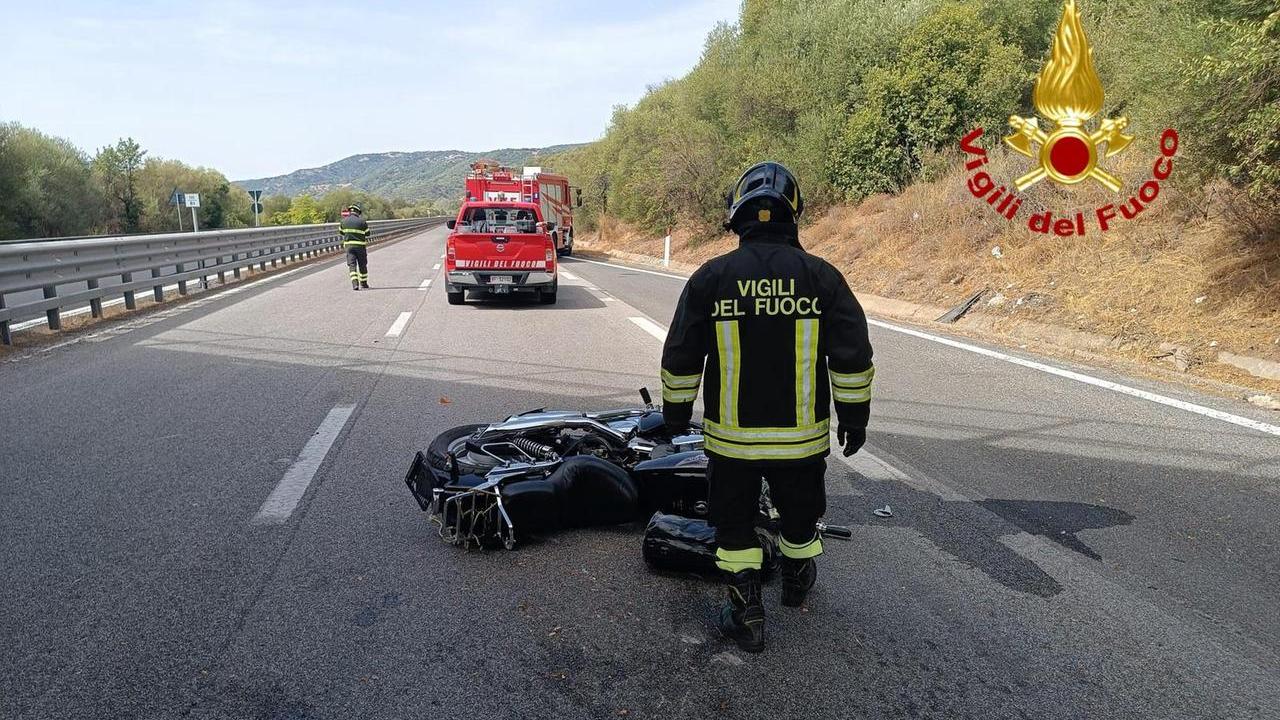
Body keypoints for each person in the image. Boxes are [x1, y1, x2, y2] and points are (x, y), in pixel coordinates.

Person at [660, 161, 875, 653]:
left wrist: (675, 413)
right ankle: (798, 579)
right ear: (794, 215)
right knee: (799, 519)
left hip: (731, 444)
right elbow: (852, 357)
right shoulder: (822, 278)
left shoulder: (711, 278)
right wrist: (854, 418)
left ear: (737, 217)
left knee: (734, 527)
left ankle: (746, 616)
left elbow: (681, 354)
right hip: (800, 443)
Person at [340, 204, 371, 290]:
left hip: (349, 247)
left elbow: (341, 232)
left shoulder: (343, 221)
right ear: (358, 212)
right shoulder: (362, 221)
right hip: (360, 247)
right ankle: (364, 283)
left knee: (352, 265)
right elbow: (368, 233)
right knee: (362, 265)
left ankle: (355, 284)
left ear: (350, 211)